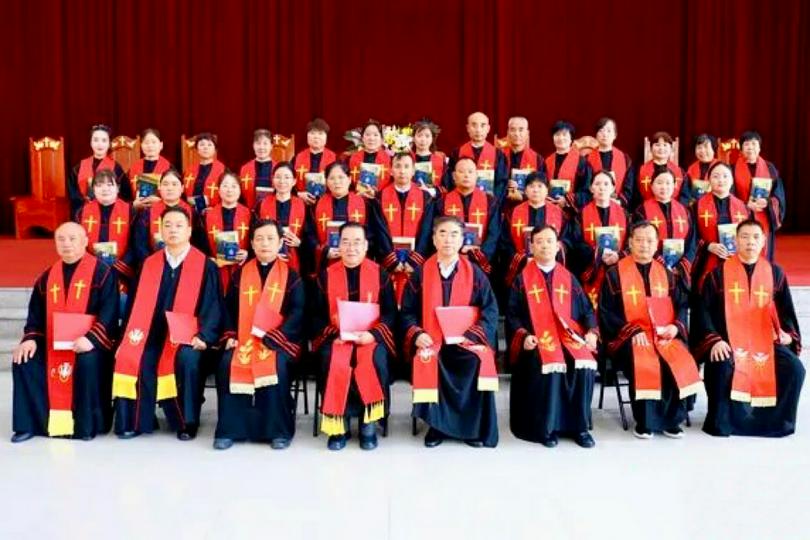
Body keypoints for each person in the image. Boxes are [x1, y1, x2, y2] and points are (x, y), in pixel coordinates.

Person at [113, 207, 224, 440]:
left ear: (190, 230)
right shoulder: (148, 265)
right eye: (167, 225)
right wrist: (125, 338)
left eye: (179, 225)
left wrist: (204, 336)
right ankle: (137, 419)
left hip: (188, 336)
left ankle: (187, 421)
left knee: (187, 358)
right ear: (160, 230)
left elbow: (214, 307)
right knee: (131, 353)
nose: (173, 230)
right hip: (151, 332)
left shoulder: (205, 265)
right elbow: (134, 306)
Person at [692, 219, 804, 437]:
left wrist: (787, 336)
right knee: (722, 364)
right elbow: (702, 313)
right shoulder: (717, 275)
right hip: (728, 340)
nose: (750, 242)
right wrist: (714, 340)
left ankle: (772, 422)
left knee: (794, 368)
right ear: (735, 241)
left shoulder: (775, 274)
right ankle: (726, 422)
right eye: (744, 237)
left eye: (755, 237)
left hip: (765, 342)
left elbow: (786, 312)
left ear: (763, 242)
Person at [11, 222, 118, 442]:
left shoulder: (103, 274)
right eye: (61, 239)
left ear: (85, 241)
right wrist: (30, 339)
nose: (66, 244)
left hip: (91, 342)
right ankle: (31, 423)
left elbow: (109, 314)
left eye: (72, 238)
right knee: (24, 360)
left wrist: (90, 339)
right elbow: (35, 319)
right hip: (53, 342)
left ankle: (85, 425)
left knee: (87, 361)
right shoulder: (46, 277)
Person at [400, 216, 500, 448]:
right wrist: (417, 333)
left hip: (466, 340)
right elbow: (407, 311)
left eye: (454, 234)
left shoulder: (475, 273)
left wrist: (475, 334)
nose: (448, 239)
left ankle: (472, 428)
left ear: (463, 239)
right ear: (434, 239)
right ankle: (437, 426)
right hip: (433, 340)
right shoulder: (421, 273)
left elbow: (490, 309)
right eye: (442, 233)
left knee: (476, 360)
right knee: (431, 358)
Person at [599, 221, 703, 439]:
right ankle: (646, 421)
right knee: (645, 360)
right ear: (629, 243)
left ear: (657, 244)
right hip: (630, 336)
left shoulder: (667, 273)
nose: (644, 245)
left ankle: (672, 420)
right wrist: (632, 332)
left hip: (664, 333)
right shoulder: (615, 274)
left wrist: (676, 327)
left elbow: (681, 306)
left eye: (649, 240)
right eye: (639, 240)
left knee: (677, 357)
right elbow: (607, 312)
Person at [214, 219, 306, 450]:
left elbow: (298, 311)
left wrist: (279, 336)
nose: (265, 244)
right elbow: (227, 308)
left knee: (277, 365)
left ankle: (278, 430)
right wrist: (230, 335)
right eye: (259, 239)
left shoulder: (292, 276)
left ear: (279, 244)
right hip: (244, 339)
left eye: (270, 239)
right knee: (227, 363)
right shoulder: (240, 275)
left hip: (278, 341)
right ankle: (230, 429)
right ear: (252, 244)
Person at [506, 225, 599, 448]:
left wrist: (591, 332)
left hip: (568, 336)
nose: (545, 245)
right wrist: (524, 336)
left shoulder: (569, 278)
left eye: (549, 241)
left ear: (558, 246)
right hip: (538, 339)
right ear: (531, 246)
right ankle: (545, 427)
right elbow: (513, 315)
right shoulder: (522, 279)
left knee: (583, 362)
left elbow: (587, 310)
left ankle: (579, 426)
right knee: (544, 361)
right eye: (539, 241)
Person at [311, 222, 397, 450]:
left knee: (375, 359)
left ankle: (368, 422)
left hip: (369, 338)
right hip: (337, 338)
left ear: (366, 245)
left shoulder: (380, 274)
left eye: (357, 242)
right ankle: (340, 424)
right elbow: (316, 317)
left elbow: (390, 313)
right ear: (338, 245)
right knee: (330, 359)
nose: (351, 247)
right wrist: (334, 333)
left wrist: (373, 334)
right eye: (345, 242)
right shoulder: (325, 276)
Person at [375, 152, 435, 303]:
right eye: (398, 166)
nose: (402, 171)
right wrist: (392, 260)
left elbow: (426, 231)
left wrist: (415, 260)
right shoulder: (380, 197)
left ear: (414, 171)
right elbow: (379, 230)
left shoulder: (425, 197)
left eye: (407, 167)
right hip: (389, 264)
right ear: (391, 170)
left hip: (415, 263)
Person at [565, 170, 628, 309]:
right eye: (597, 183)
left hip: (619, 269)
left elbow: (632, 241)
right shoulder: (580, 215)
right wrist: (598, 254)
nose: (602, 187)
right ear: (591, 188)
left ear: (613, 188)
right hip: (591, 270)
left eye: (606, 184)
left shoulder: (625, 214)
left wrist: (618, 255)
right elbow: (576, 243)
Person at [305, 162, 382, 275]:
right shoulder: (315, 206)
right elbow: (309, 235)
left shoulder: (364, 204)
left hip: (357, 261)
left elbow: (371, 235)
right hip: (327, 262)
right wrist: (325, 251)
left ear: (349, 179)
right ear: (326, 182)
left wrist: (355, 250)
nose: (337, 182)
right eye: (332, 178)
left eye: (341, 177)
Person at [436, 157, 500, 274]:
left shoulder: (490, 201)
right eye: (461, 172)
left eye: (470, 172)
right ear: (454, 176)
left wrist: (480, 256)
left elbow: (494, 233)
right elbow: (437, 232)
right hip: (449, 260)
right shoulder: (442, 202)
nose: (466, 175)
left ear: (477, 175)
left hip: (482, 262)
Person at [692, 161, 751, 288]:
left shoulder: (743, 208)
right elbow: (691, 235)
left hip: (736, 259)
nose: (721, 180)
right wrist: (708, 246)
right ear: (709, 181)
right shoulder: (696, 206)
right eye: (716, 176)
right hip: (705, 259)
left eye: (725, 176)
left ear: (732, 180)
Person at [500, 173, 566, 285]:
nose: (535, 190)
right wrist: (521, 259)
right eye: (531, 186)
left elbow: (566, 240)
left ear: (547, 190)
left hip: (549, 265)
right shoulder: (513, 213)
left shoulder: (559, 214)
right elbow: (505, 242)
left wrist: (552, 251)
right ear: (525, 191)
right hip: (520, 267)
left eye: (540, 186)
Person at [76, 169, 137, 289]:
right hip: (91, 271)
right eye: (99, 185)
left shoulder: (131, 211)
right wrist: (94, 265)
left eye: (109, 185)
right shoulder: (81, 213)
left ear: (118, 188)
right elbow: (79, 243)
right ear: (93, 189)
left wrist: (118, 266)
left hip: (122, 272)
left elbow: (135, 243)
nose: (105, 189)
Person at [634, 169, 696, 281]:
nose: (664, 187)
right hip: (652, 266)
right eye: (659, 183)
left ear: (674, 185)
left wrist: (682, 265)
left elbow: (692, 241)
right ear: (651, 185)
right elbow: (638, 241)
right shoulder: (641, 211)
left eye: (668, 183)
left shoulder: (684, 210)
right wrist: (662, 263)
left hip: (680, 270)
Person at [733, 131, 786, 260]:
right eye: (746, 144)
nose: (750, 147)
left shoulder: (770, 168)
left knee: (762, 250)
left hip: (763, 216)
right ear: (741, 148)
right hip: (740, 216)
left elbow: (778, 195)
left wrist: (768, 202)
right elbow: (728, 194)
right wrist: (745, 204)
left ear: (759, 148)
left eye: (754, 144)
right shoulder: (731, 169)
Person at [195, 171, 251, 291]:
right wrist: (209, 259)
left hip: (243, 270)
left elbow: (255, 241)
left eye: (234, 186)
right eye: (225, 185)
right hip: (215, 271)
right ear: (219, 190)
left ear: (240, 190)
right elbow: (199, 244)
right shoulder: (207, 216)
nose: (229, 190)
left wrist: (247, 253)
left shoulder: (250, 215)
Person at [132, 169, 194, 266]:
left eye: (174, 184)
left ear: (182, 188)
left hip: (186, 265)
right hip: (153, 265)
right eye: (165, 184)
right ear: (159, 188)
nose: (170, 188)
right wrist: (152, 263)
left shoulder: (192, 212)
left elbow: (198, 243)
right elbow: (140, 244)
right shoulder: (147, 213)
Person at [442, 112, 508, 201]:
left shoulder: (498, 154)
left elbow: (501, 183)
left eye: (482, 125)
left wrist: (493, 204)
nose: (478, 130)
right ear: (467, 128)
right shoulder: (457, 153)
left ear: (488, 128)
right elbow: (450, 179)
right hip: (461, 201)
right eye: (474, 125)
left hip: (489, 204)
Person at [67, 124, 129, 214]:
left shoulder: (116, 168)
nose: (100, 144)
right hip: (84, 210)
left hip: (109, 211)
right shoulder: (79, 167)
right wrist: (84, 204)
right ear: (91, 143)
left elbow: (125, 193)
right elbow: (73, 192)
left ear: (109, 144)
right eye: (95, 140)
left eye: (104, 140)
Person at [257, 162, 307, 273]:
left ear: (294, 181)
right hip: (267, 258)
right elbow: (255, 232)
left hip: (295, 259)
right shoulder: (262, 204)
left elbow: (310, 235)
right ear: (273, 180)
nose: (282, 181)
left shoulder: (303, 205)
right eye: (278, 177)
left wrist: (300, 243)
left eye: (287, 177)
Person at [586, 117, 634, 207]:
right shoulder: (587, 159)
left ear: (615, 135)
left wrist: (619, 202)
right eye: (601, 130)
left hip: (618, 205)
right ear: (596, 135)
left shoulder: (625, 159)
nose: (605, 134)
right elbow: (585, 187)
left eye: (608, 131)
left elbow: (629, 188)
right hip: (593, 205)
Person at [544, 120, 592, 210]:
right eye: (557, 135)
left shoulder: (582, 163)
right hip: (549, 209)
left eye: (564, 135)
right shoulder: (546, 161)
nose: (561, 138)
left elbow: (587, 192)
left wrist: (567, 200)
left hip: (572, 213)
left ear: (571, 138)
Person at [634, 131, 689, 207]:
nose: (661, 148)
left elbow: (685, 196)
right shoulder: (640, 170)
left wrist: (678, 209)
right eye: (657, 145)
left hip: (673, 211)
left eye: (665, 145)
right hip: (646, 211)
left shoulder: (680, 172)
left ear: (671, 149)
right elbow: (636, 195)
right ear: (650, 148)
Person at [293, 118, 337, 206]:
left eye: (320, 133)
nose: (316, 137)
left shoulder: (334, 158)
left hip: (328, 202)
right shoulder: (297, 157)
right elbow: (289, 180)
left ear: (326, 136)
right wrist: (298, 194)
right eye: (312, 133)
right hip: (301, 202)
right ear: (307, 136)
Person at [502, 116, 544, 205]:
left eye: (521, 130)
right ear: (508, 132)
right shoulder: (498, 156)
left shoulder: (537, 159)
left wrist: (523, 196)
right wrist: (506, 185)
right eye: (513, 130)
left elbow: (543, 187)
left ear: (527, 133)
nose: (517, 134)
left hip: (528, 206)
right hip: (502, 205)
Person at [128, 128, 173, 211]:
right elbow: (125, 195)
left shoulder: (169, 167)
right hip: (137, 214)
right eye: (146, 142)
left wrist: (160, 201)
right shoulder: (133, 168)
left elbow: (176, 195)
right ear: (141, 145)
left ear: (161, 145)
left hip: (162, 212)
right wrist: (134, 204)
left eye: (153, 142)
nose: (150, 146)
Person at [347, 119, 392, 198]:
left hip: (381, 199)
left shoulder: (388, 159)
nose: (371, 138)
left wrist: (375, 193)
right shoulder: (354, 158)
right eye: (367, 134)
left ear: (381, 139)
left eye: (375, 135)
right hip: (357, 198)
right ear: (362, 138)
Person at [183, 132, 226, 211]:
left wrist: (197, 201)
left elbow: (228, 194)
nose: (205, 147)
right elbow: (182, 193)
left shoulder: (223, 170)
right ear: (197, 149)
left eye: (209, 145)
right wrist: (193, 201)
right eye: (202, 145)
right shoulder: (189, 170)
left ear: (215, 149)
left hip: (215, 211)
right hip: (189, 211)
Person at [238, 128, 275, 209]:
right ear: (253, 145)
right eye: (258, 143)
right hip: (248, 210)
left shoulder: (278, 168)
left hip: (272, 211)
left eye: (265, 144)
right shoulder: (244, 168)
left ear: (271, 146)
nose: (261, 147)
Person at [411, 119, 445, 197]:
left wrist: (430, 191)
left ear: (432, 138)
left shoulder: (440, 160)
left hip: (433, 203)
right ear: (413, 138)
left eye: (427, 136)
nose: (423, 139)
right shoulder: (408, 159)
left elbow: (446, 186)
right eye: (419, 135)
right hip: (412, 200)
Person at [685, 133, 718, 201]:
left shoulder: (721, 168)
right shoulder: (691, 168)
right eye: (699, 147)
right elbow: (686, 192)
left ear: (713, 149)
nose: (702, 151)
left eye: (706, 147)